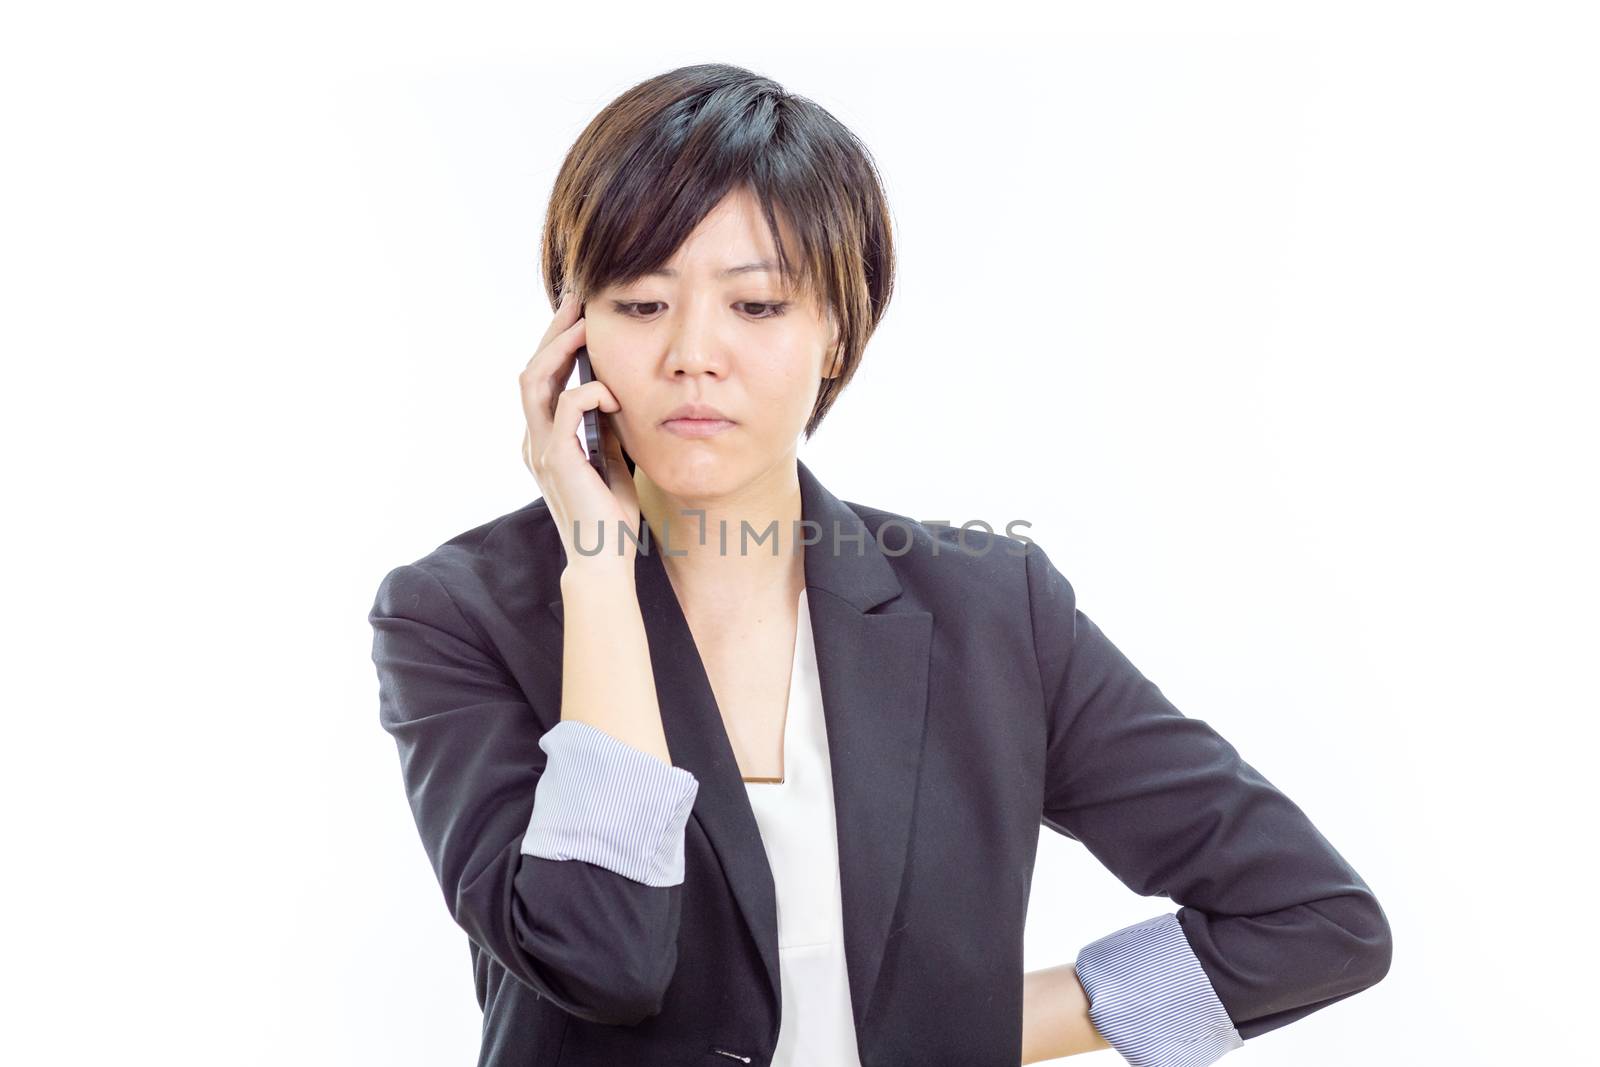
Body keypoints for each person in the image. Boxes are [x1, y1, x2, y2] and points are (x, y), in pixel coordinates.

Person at [368, 63, 1392, 1067]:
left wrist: (959, 1034)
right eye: (639, 303)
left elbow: (1310, 921)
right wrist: (595, 568)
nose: (692, 351)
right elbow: (600, 957)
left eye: (757, 305)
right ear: (573, 334)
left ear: (836, 328)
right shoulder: (456, 615)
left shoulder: (993, 610)